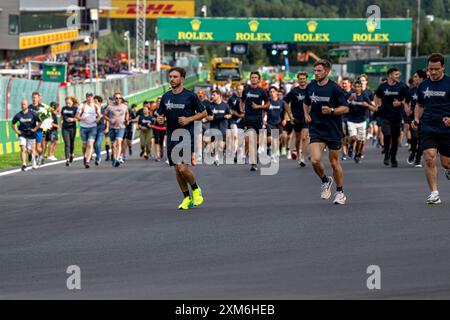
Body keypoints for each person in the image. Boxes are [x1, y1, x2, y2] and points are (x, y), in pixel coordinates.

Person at [157, 67, 207, 210]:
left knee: (183, 169)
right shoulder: (166, 97)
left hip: (185, 135)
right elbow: (161, 115)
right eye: (170, 76)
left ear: (182, 79)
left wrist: (189, 119)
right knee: (177, 170)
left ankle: (196, 190)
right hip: (171, 135)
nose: (172, 79)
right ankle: (186, 198)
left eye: (175, 76)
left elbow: (203, 113)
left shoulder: (190, 96)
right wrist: (160, 119)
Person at [303, 59, 349, 205]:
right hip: (316, 128)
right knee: (315, 160)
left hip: (333, 130)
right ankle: (325, 180)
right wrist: (306, 114)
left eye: (319, 71)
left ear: (327, 72)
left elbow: (345, 108)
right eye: (314, 71)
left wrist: (332, 110)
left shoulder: (335, 88)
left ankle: (340, 192)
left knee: (334, 163)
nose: (316, 73)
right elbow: (306, 102)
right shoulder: (310, 87)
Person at [412, 53, 450, 204]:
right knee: (429, 157)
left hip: (447, 129)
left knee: (446, 163)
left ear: (443, 67)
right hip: (428, 126)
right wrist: (416, 118)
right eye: (430, 69)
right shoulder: (423, 85)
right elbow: (420, 104)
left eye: (436, 69)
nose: (433, 72)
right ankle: (434, 193)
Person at [374, 68, 409, 167]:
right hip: (385, 115)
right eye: (396, 74)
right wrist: (377, 105)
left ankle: (393, 158)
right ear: (390, 75)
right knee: (387, 134)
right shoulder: (382, 86)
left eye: (398, 74)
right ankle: (386, 155)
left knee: (394, 139)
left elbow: (408, 98)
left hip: (397, 116)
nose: (398, 76)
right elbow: (377, 96)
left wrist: (400, 103)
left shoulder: (402, 86)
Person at [240, 71, 270, 171]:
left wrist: (259, 106)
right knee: (251, 139)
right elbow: (242, 100)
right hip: (248, 117)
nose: (253, 79)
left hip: (258, 118)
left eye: (255, 77)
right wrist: (241, 109)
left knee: (256, 142)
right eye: (252, 77)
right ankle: (253, 162)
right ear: (250, 78)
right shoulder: (246, 90)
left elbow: (267, 104)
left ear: (258, 79)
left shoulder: (262, 91)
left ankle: (254, 156)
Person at [346, 81, 377, 163]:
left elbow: (373, 108)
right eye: (355, 87)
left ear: (361, 88)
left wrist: (367, 105)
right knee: (353, 138)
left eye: (359, 87)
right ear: (353, 87)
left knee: (360, 140)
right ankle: (351, 145)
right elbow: (344, 105)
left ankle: (357, 154)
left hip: (362, 121)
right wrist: (349, 100)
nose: (357, 88)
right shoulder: (350, 94)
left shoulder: (364, 96)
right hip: (351, 120)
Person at [284, 72, 309, 167]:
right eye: (300, 79)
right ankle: (298, 154)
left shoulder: (310, 91)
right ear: (298, 80)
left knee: (304, 138)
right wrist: (290, 116)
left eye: (304, 78)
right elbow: (285, 102)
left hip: (306, 118)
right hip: (296, 118)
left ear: (306, 79)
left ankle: (303, 158)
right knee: (298, 139)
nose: (302, 80)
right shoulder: (294, 91)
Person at [11, 100, 41, 171]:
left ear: (27, 105)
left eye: (24, 104)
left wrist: (35, 129)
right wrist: (17, 131)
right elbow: (12, 124)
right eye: (22, 104)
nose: (23, 106)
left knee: (31, 149)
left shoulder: (33, 113)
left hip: (31, 133)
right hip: (22, 134)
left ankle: (34, 163)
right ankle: (24, 164)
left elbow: (40, 122)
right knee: (23, 149)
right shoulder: (19, 115)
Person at [76, 92, 103, 169]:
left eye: (91, 96)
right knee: (84, 145)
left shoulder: (96, 106)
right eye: (88, 96)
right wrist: (81, 118)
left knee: (90, 144)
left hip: (92, 127)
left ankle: (87, 161)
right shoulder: (82, 106)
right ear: (86, 97)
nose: (89, 98)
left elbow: (99, 115)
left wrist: (97, 119)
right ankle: (85, 156)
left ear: (92, 97)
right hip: (83, 127)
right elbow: (77, 116)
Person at [406, 70, 427, 167]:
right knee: (414, 137)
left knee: (423, 140)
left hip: (427, 118)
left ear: (421, 78)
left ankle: (418, 158)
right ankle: (413, 153)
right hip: (414, 118)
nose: (413, 79)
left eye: (415, 76)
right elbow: (406, 102)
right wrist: (407, 109)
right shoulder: (411, 90)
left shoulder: (428, 88)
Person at [207, 89, 232, 166]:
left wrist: (228, 116)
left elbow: (230, 114)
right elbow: (207, 117)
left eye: (214, 95)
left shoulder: (225, 105)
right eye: (212, 95)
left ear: (219, 96)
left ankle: (217, 154)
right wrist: (213, 118)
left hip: (223, 127)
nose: (212, 96)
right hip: (214, 127)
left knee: (221, 145)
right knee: (215, 143)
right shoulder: (210, 106)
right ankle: (216, 158)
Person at [266, 86, 287, 163]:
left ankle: (274, 151)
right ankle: (272, 154)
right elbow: (263, 111)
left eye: (273, 92)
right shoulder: (267, 102)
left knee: (278, 138)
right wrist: (263, 119)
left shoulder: (281, 102)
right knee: (271, 139)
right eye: (270, 92)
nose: (272, 93)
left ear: (276, 92)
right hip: (269, 122)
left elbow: (286, 111)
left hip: (279, 123)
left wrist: (285, 119)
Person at [61, 96, 79, 167]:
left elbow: (77, 118)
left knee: (71, 143)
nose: (67, 104)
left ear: (72, 102)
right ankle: (67, 160)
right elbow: (62, 117)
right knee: (67, 144)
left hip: (72, 128)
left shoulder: (75, 108)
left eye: (69, 103)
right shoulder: (63, 108)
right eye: (66, 103)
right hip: (65, 128)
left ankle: (71, 154)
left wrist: (73, 119)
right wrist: (60, 125)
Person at [152, 97, 166, 162]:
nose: (159, 102)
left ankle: (161, 150)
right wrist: (154, 119)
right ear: (156, 102)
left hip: (163, 127)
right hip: (156, 127)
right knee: (156, 141)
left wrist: (163, 119)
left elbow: (167, 117)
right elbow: (152, 117)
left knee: (161, 141)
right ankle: (157, 155)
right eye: (158, 101)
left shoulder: (165, 109)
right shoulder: (154, 110)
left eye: (160, 101)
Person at [94, 96, 107, 166]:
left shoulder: (103, 110)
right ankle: (97, 154)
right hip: (92, 129)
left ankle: (98, 157)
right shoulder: (91, 109)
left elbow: (107, 119)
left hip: (100, 129)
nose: (94, 103)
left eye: (95, 101)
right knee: (94, 144)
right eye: (94, 101)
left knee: (97, 143)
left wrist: (107, 127)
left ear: (100, 102)